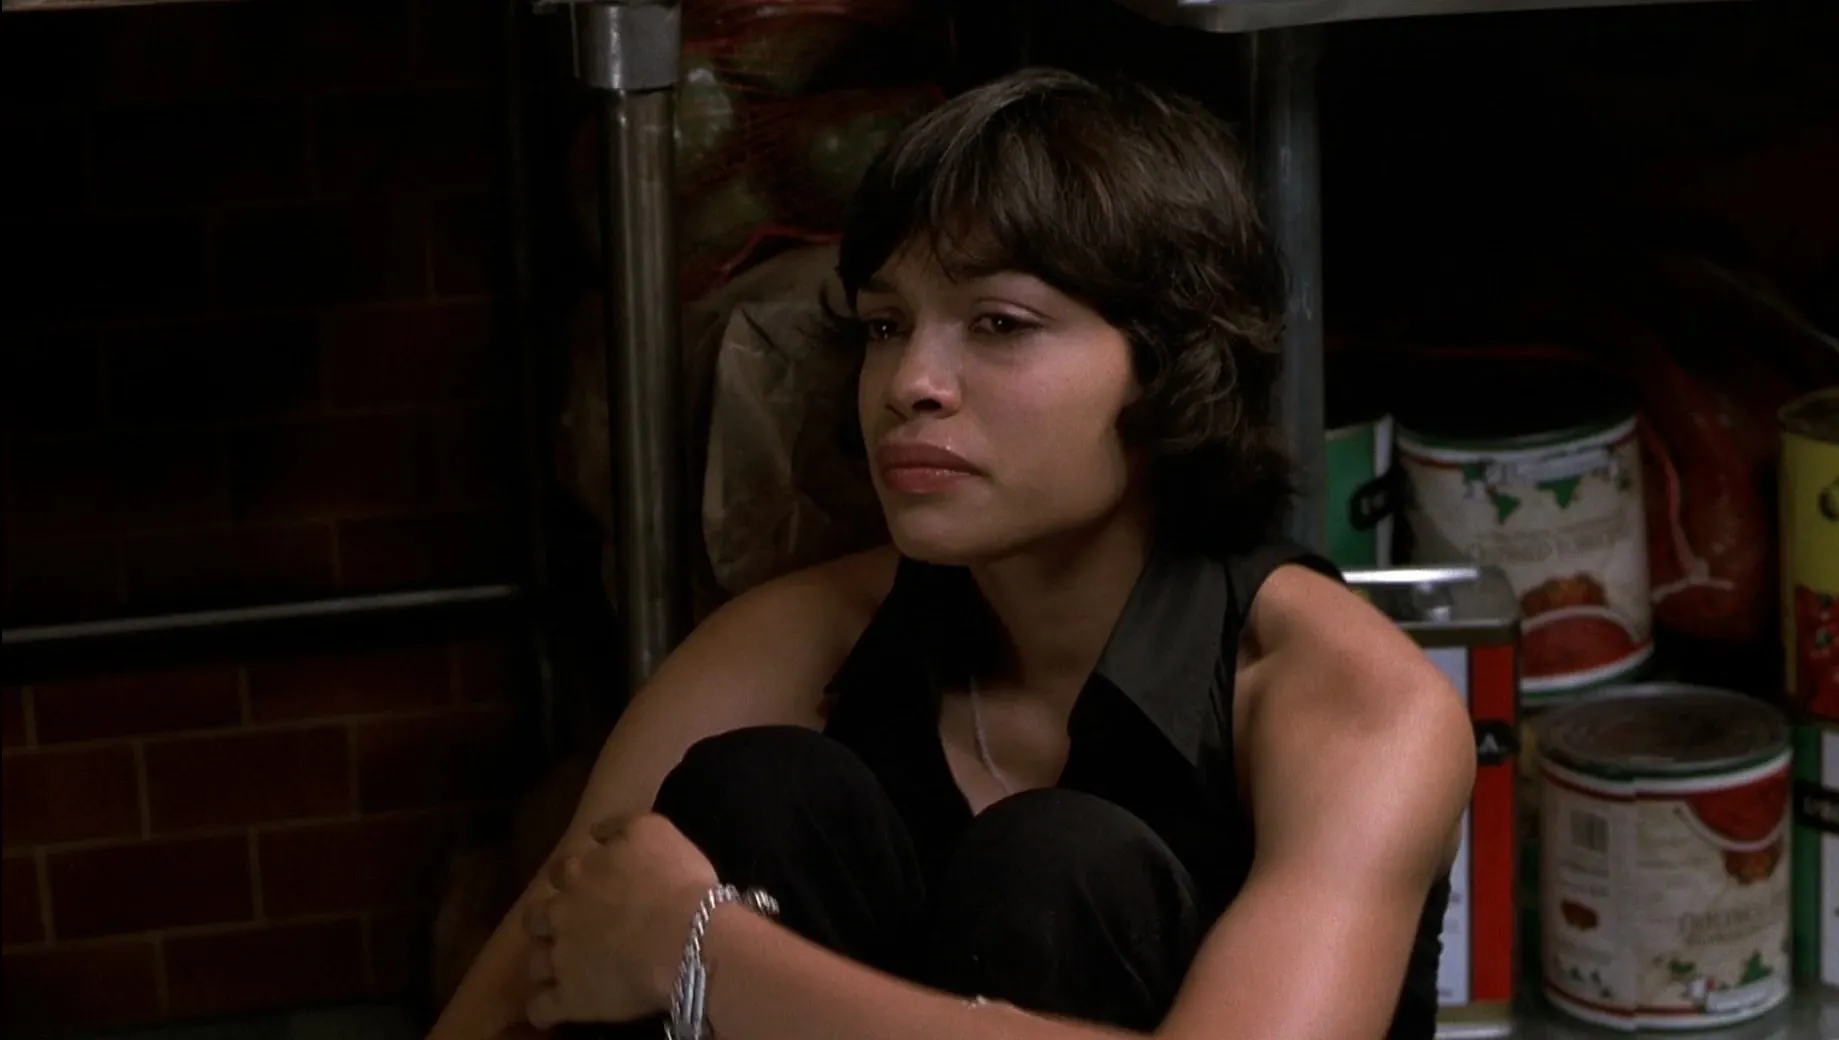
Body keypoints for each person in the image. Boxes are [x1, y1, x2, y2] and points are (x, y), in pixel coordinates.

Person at [429, 67, 1475, 1040]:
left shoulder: (1352, 699)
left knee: (1060, 868)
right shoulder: (801, 641)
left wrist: (706, 954)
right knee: (758, 791)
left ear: (1167, 365)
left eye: (1000, 323)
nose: (910, 385)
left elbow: (662, 940)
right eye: (887, 326)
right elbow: (522, 988)